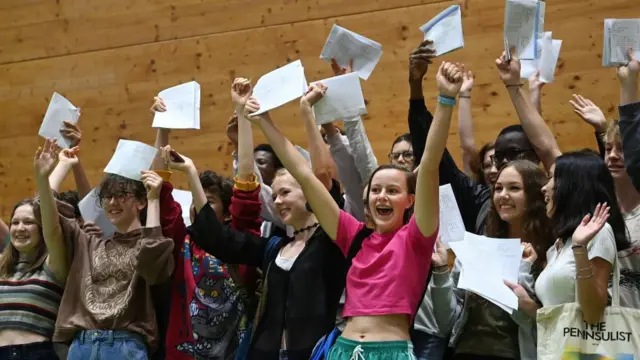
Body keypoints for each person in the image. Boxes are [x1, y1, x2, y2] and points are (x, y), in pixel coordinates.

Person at [247, 61, 459, 359]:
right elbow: (305, 177)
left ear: (410, 200)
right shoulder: (354, 235)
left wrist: (446, 100)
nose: (381, 196)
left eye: (393, 190)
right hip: (342, 350)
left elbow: (429, 166)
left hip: (392, 351)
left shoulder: (417, 237)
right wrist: (263, 121)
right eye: (376, 189)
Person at [36, 138, 175, 358]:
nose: (111, 203)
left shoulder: (153, 244)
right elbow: (46, 218)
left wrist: (154, 199)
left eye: (121, 195)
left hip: (126, 346)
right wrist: (52, 173)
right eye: (107, 197)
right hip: (82, 346)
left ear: (140, 202)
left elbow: (152, 261)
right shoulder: (88, 243)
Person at [432, 160, 551, 360]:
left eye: (514, 188)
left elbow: (543, 322)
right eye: (497, 188)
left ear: (535, 195)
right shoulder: (477, 247)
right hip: (464, 352)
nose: (503, 195)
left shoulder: (549, 252)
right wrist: (441, 271)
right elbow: (446, 322)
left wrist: (524, 266)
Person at [0, 140, 76, 360]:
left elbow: (52, 225)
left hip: (37, 353)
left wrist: (46, 175)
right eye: (15, 222)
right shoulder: (3, 266)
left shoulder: (52, 265)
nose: (20, 228)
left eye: (28, 223)